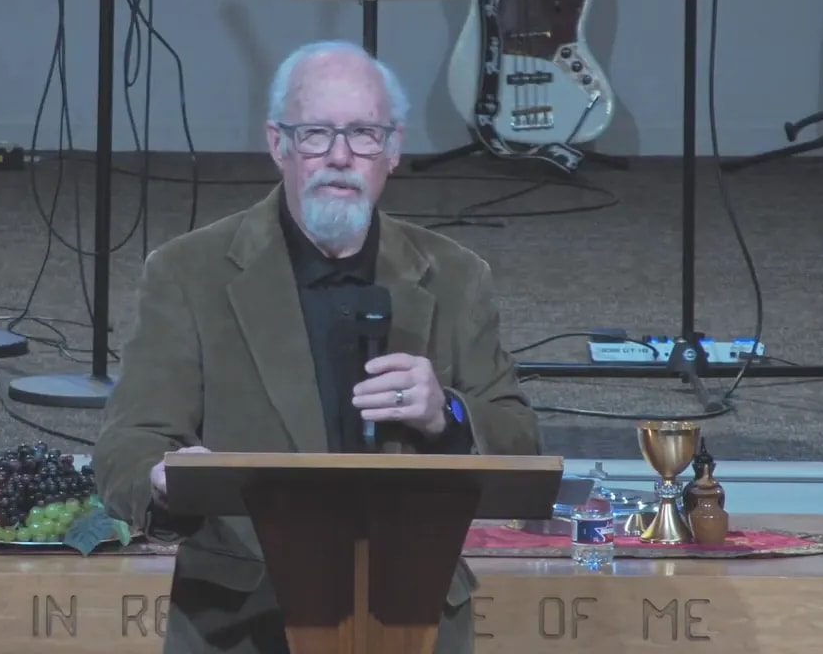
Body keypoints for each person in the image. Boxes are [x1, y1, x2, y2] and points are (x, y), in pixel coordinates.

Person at [92, 39, 542, 653]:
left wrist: (448, 413)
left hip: (414, 620)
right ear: (278, 144)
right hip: (243, 621)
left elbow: (520, 438)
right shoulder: (187, 272)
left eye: (363, 134)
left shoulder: (456, 275)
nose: (339, 157)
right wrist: (165, 479)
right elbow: (128, 443)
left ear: (393, 149)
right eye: (315, 134)